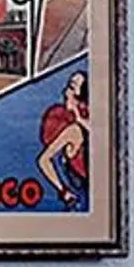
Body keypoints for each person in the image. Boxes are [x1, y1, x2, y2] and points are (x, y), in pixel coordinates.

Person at [37, 70, 90, 209]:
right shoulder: (69, 123)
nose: (66, 90)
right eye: (68, 86)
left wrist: (64, 191)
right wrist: (63, 191)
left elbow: (44, 160)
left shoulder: (76, 129)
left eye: (72, 87)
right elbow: (44, 160)